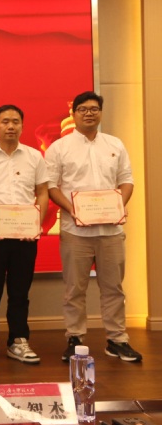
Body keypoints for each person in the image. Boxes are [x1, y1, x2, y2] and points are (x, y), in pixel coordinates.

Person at [45, 91, 142, 363]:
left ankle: (117, 340)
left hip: (111, 231)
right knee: (74, 289)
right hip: (75, 231)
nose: (89, 113)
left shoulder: (115, 144)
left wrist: (118, 205)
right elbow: (51, 186)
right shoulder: (59, 148)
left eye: (94, 109)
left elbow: (126, 180)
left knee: (114, 288)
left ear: (100, 112)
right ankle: (75, 338)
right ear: (74, 113)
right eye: (83, 109)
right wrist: (72, 209)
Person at [0, 105, 48, 366]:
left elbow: (43, 192)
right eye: (5, 122)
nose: (11, 126)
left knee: (20, 290)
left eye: (16, 121)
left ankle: (18, 340)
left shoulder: (35, 157)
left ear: (22, 126)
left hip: (26, 230)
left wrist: (36, 223)